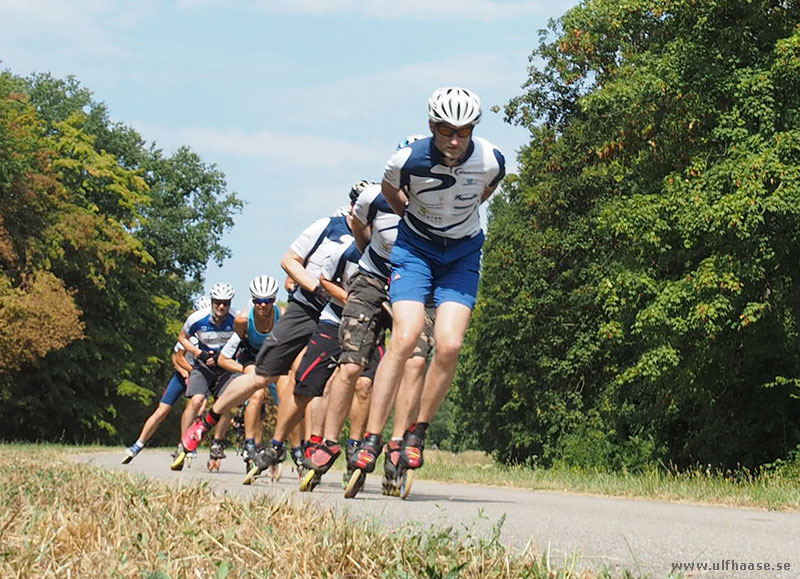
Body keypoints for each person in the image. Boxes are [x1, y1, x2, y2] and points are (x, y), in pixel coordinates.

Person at [348, 87, 505, 492]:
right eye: (446, 130)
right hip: (416, 250)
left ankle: (416, 432)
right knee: (405, 336)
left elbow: (488, 189)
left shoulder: (490, 159)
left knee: (449, 345)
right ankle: (372, 437)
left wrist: (457, 216)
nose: (455, 141)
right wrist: (417, 217)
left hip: (462, 253)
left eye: (464, 132)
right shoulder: (406, 159)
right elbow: (388, 191)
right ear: (431, 125)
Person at [170, 197, 355, 470]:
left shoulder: (376, 243)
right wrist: (316, 288)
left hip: (336, 317)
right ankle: (207, 421)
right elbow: (290, 262)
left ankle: (303, 443)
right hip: (305, 309)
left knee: (314, 382)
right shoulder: (327, 227)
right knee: (260, 376)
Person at [303, 175, 433, 491]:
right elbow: (360, 232)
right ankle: (330, 442)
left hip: (418, 283)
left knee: (415, 362)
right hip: (374, 279)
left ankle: (398, 442)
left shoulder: (438, 204)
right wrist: (372, 262)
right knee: (350, 365)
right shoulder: (373, 198)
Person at [122, 297, 210, 463]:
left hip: (201, 376)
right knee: (162, 410)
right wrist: (187, 373)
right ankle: (138, 444)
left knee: (198, 407)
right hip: (183, 375)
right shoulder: (190, 334)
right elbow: (176, 358)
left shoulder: (213, 335)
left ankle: (187, 444)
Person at [217, 275, 285, 470]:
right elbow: (223, 358)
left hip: (273, 360)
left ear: (274, 299)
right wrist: (247, 372)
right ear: (252, 300)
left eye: (268, 301)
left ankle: (285, 445)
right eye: (258, 301)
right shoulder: (243, 319)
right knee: (257, 394)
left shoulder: (283, 316)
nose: (262, 305)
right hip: (252, 358)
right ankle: (250, 445)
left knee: (288, 399)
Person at [171, 282, 238, 470]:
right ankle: (183, 443)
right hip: (203, 366)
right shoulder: (197, 319)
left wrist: (224, 357)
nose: (221, 307)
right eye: (218, 302)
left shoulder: (236, 319)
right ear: (211, 301)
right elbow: (182, 337)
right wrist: (198, 353)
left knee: (225, 403)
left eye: (225, 303)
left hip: (225, 366)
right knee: (196, 401)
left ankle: (217, 442)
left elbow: (243, 341)